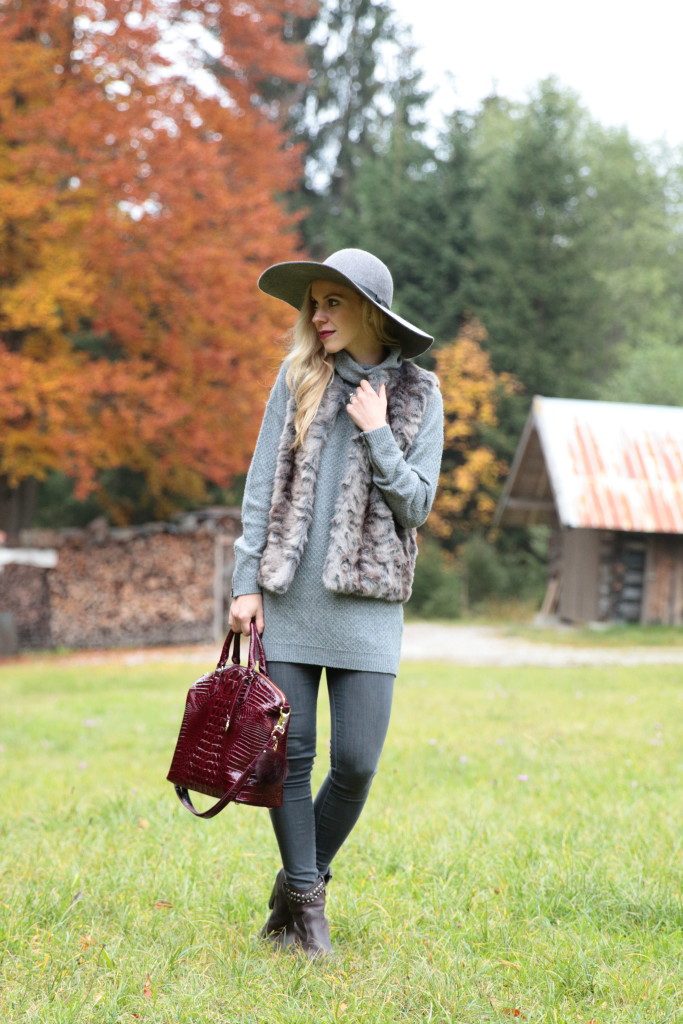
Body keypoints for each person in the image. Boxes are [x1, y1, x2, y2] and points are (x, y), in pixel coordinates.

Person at [229, 248, 444, 957]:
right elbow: (261, 486)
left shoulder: (419, 395)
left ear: (370, 312)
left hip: (369, 607)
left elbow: (414, 507)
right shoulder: (295, 382)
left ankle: (291, 887)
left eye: (332, 302)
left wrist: (378, 429)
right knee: (291, 755)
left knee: (354, 763)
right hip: (290, 598)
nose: (316, 316)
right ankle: (309, 909)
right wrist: (244, 581)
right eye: (312, 303)